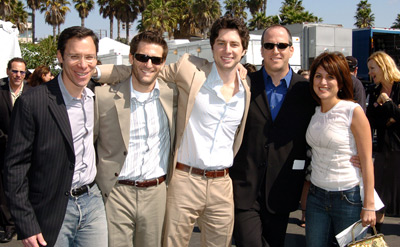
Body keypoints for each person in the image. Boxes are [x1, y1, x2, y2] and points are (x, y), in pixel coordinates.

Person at [96, 16, 251, 247]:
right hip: (184, 180)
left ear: (244, 50)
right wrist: (92, 71)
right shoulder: (190, 70)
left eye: (234, 44)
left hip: (222, 184)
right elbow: (146, 69)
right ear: (212, 46)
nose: (227, 50)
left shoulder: (246, 89)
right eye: (221, 43)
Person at [3, 26, 107, 247]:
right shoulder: (33, 102)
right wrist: (26, 223)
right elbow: (14, 168)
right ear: (60, 56)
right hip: (52, 209)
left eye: (90, 57)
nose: (83, 64)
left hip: (92, 202)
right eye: (74, 56)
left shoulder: (95, 98)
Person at [230, 25, 316, 247]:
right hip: (244, 188)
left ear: (291, 50)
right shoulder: (244, 84)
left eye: (281, 45)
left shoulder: (306, 92)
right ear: (261, 51)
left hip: (282, 190)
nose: (275, 50)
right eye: (269, 45)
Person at [94, 31, 178, 247]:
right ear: (131, 58)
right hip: (116, 194)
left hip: (156, 194)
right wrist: (94, 71)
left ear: (163, 63)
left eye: (156, 59)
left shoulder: (173, 95)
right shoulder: (103, 97)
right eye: (142, 57)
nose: (148, 64)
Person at [305, 52, 376, 246]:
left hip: (348, 197)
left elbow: (367, 160)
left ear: (341, 82)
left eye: (330, 77)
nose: (323, 82)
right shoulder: (315, 112)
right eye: (318, 76)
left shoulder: (352, 111)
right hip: (316, 196)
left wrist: (369, 206)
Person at [366, 51, 400, 230]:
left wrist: (386, 103)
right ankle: (375, 232)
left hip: (398, 147)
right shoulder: (373, 90)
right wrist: (391, 116)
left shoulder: (398, 87)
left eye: (372, 68)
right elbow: (370, 120)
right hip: (382, 149)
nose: (370, 73)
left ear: (383, 66)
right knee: (379, 193)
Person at [0, 57, 30, 243]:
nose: (18, 75)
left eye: (22, 72)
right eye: (15, 71)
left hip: (28, 151)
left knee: (26, 187)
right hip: (3, 149)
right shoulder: (0, 91)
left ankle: (25, 224)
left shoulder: (32, 92)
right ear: (8, 71)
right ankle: (8, 226)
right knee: (4, 190)